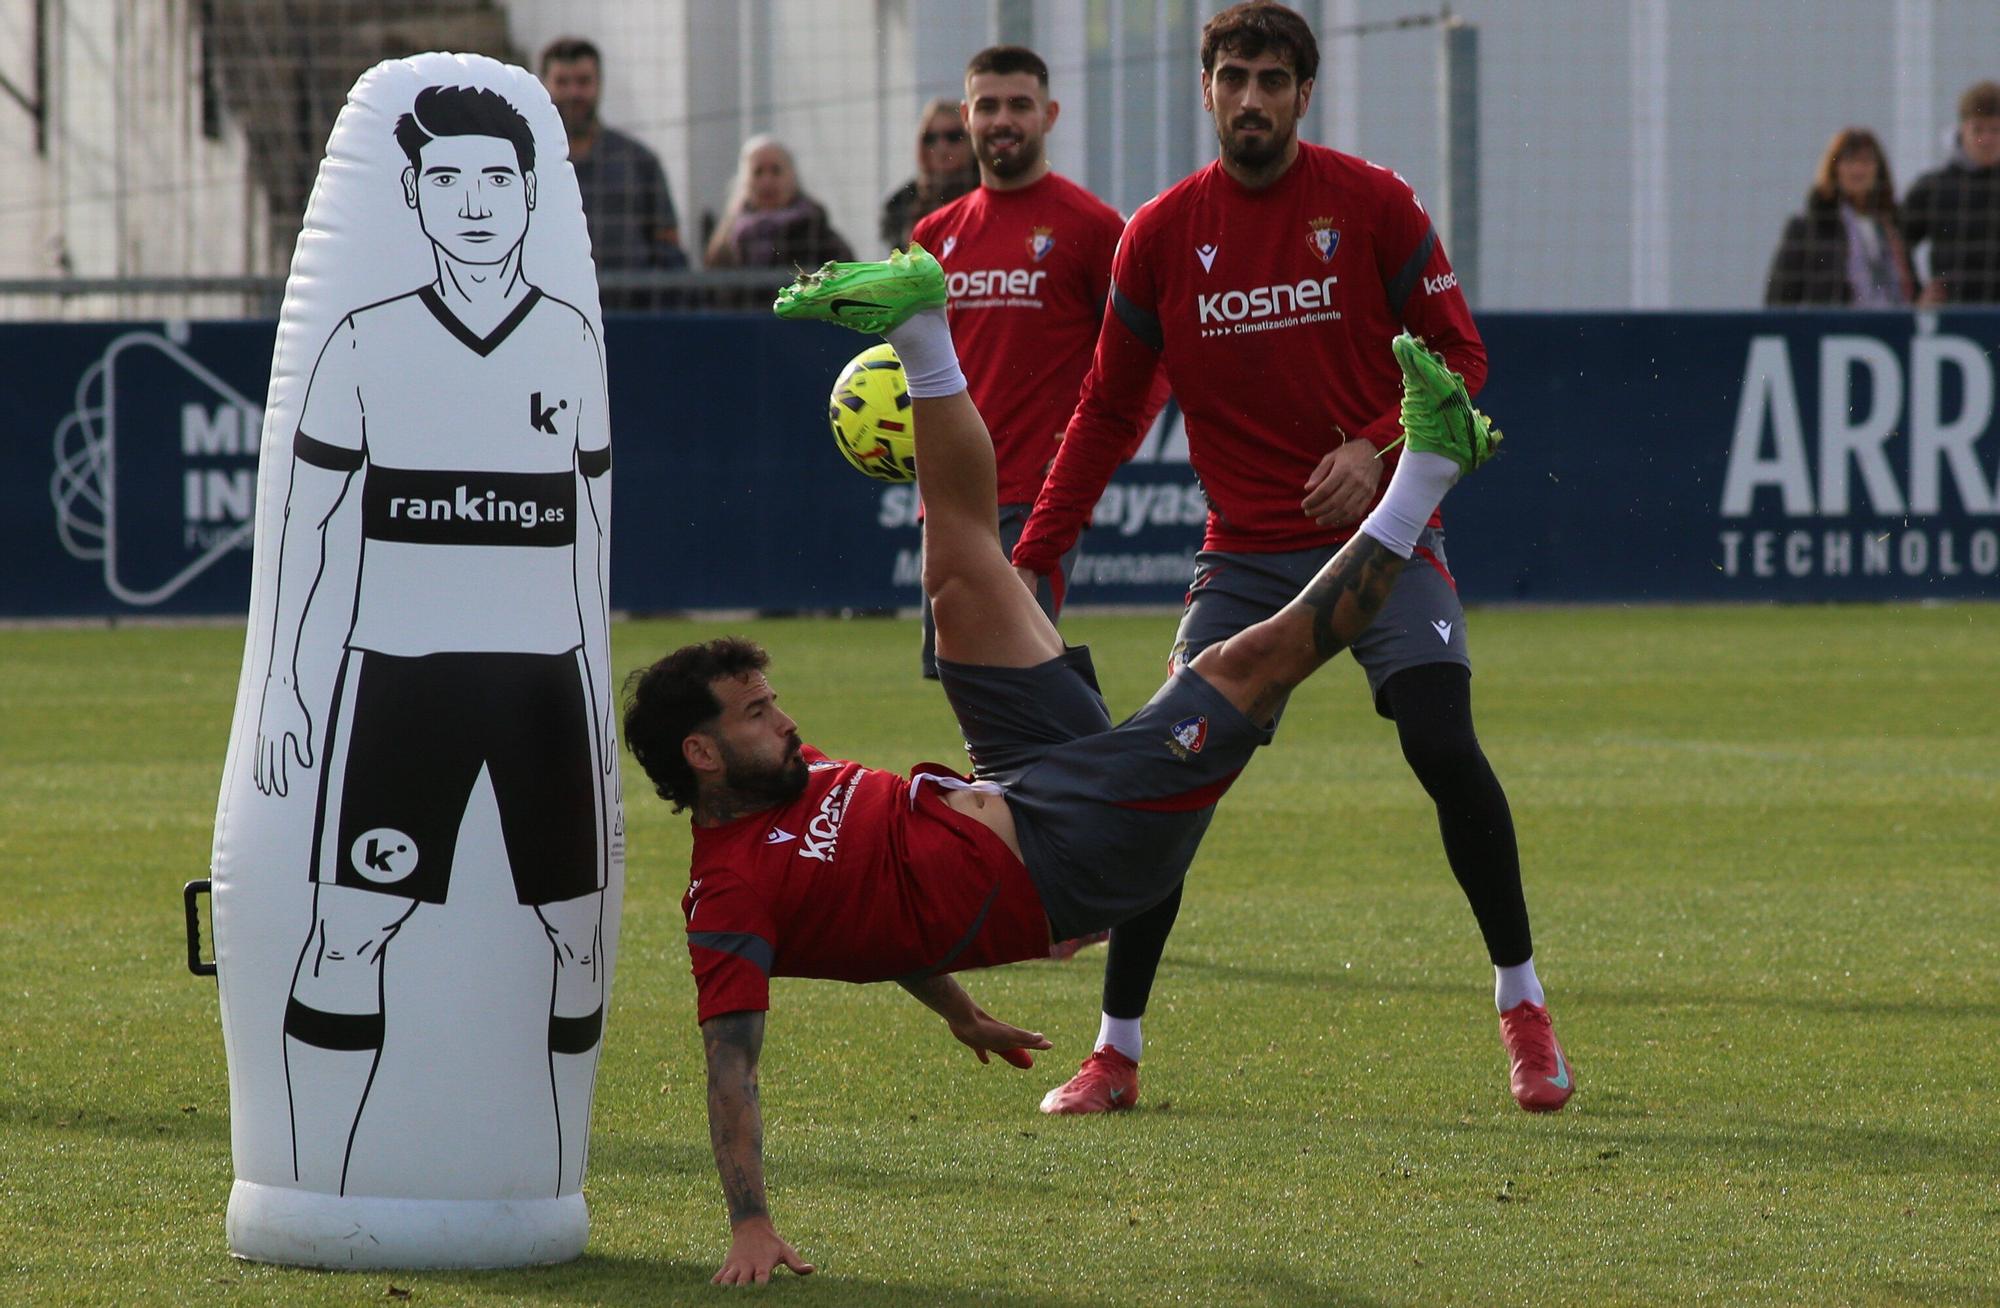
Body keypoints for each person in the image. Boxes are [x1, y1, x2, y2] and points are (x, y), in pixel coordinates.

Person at [621, 245, 1503, 1283]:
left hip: (1018, 783)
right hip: (1077, 855)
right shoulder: (725, 896)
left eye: (773, 702)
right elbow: (730, 1068)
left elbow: (861, 912)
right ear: (700, 754)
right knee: (1243, 665)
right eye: (757, 713)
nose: (787, 721)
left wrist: (956, 1009)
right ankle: (1427, 469)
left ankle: (920, 328)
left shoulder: (780, 777)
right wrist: (748, 1222)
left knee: (959, 573)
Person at [1009, 1, 1572, 1118]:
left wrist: (1375, 448)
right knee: (1164, 776)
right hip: (1245, 557)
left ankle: (1523, 1005)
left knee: (1439, 738)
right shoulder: (1159, 235)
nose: (1252, 98)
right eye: (1234, 77)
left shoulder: (1371, 203)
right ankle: (1115, 1052)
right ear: (1206, 89)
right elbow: (1107, 409)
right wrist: (1036, 553)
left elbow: (1461, 357)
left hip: (1384, 541)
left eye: (1273, 80)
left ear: (1304, 95)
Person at [254, 83, 614, 1197]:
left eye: (496, 179)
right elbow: (306, 524)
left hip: (544, 688)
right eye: (447, 179)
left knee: (578, 937)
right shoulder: (364, 341)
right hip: (402, 687)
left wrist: (597, 697)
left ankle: (548, 1178)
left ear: (529, 194)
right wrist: (283, 685)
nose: (473, 202)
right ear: (411, 195)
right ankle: (314, 1189)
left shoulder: (567, 340)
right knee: (349, 933)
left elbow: (592, 530)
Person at [539, 36, 689, 309]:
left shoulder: (638, 161)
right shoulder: (524, 163)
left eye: (583, 81)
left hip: (630, 315)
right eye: (562, 82)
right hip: (548, 313)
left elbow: (668, 245)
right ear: (544, 86)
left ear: (599, 85)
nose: (573, 93)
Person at [1765, 127, 1914, 306]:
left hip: (1891, 322)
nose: (1858, 170)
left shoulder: (1893, 230)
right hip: (1834, 324)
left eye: (1866, 161)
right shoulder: (1808, 229)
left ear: (1878, 170)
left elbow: (1909, 291)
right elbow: (1779, 298)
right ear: (1834, 169)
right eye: (1850, 161)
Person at [702, 135, 854, 308]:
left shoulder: (818, 234)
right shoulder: (725, 242)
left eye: (776, 171)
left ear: (792, 177)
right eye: (758, 172)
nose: (767, 181)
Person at [1902, 80, 2000, 305]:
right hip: (1954, 315)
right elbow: (1896, 244)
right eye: (1978, 129)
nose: (1987, 139)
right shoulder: (1934, 188)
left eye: (1995, 130)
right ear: (1962, 129)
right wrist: (1916, 294)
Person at [880, 97, 980, 251]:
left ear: (970, 139)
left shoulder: (988, 189)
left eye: (953, 136)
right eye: (930, 138)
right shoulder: (902, 202)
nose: (941, 147)